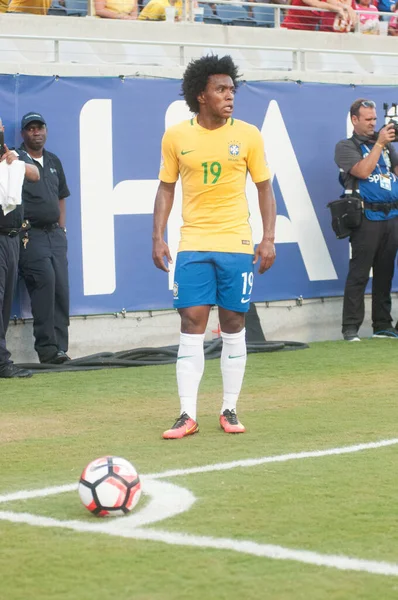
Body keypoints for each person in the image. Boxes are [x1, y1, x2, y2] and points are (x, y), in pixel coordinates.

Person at [152, 55, 276, 439]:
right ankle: (187, 414)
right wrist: (158, 236)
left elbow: (264, 189)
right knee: (191, 322)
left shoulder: (249, 135)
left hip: (236, 242)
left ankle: (229, 408)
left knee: (234, 323)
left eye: (232, 89)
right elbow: (166, 187)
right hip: (192, 243)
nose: (230, 96)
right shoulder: (176, 136)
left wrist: (267, 237)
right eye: (221, 89)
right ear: (201, 95)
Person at [335, 98, 398, 342]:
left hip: (391, 215)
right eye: (368, 119)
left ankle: (382, 325)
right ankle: (350, 328)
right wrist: (380, 144)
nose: (373, 123)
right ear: (354, 119)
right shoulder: (345, 146)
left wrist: (385, 144)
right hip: (364, 216)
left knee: (385, 273)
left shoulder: (384, 145)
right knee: (359, 273)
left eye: (375, 119)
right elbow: (362, 171)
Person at [18, 112, 72, 364]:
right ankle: (48, 350)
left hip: (55, 235)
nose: (36, 132)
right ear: (23, 134)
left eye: (39, 128)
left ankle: (61, 347)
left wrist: (62, 230)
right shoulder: (15, 160)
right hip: (31, 235)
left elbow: (61, 196)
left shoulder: (53, 160)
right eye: (30, 129)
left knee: (61, 288)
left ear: (46, 131)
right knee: (45, 286)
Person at [0, 132, 40, 378]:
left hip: (13, 237)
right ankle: (2, 361)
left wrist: (16, 163)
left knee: (5, 304)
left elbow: (35, 174)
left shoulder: (15, 155)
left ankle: (1, 359)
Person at [281, 0, 353, 30]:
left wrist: (347, 7)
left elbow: (336, 3)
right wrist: (337, 9)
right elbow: (315, 3)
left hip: (308, 33)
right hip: (290, 29)